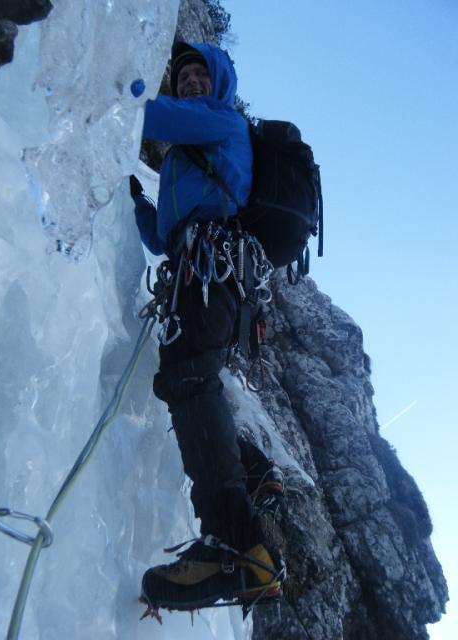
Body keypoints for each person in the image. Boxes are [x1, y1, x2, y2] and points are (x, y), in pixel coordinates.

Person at [130, 41, 285, 612]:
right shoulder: (186, 153)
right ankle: (254, 469)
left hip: (209, 269)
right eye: (185, 77)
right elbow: (162, 234)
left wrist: (106, 78)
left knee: (190, 380)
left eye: (200, 75)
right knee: (191, 378)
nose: (192, 81)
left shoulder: (219, 120)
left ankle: (238, 547)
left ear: (217, 83)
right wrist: (142, 209)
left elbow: (151, 113)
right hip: (193, 270)